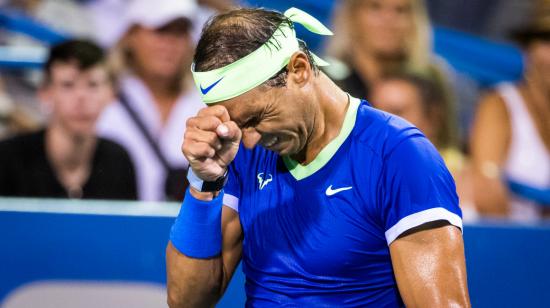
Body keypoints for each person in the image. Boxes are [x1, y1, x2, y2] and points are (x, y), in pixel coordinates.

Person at [166, 7, 470, 307]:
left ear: (299, 70)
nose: (248, 140)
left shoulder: (399, 156)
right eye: (237, 125)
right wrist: (204, 183)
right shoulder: (239, 148)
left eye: (257, 118)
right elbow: (185, 301)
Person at [0, 39, 137, 200]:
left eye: (92, 85)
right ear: (45, 92)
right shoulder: (8, 159)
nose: (81, 97)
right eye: (68, 85)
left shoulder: (118, 160)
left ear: (111, 93)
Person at [96, 0, 205, 201]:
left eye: (180, 32)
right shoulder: (101, 100)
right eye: (161, 30)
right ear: (131, 35)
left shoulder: (206, 102)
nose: (171, 43)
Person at [325, 0, 474, 145]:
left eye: (400, 10)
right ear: (352, 15)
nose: (388, 19)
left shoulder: (434, 77)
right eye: (375, 7)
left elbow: (450, 144)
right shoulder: (326, 79)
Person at [470, 0, 550, 220]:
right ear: (527, 49)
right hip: (515, 243)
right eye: (546, 41)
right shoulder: (500, 105)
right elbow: (486, 190)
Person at [371, 73, 475, 219]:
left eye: (396, 112)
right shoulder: (355, 176)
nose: (380, 124)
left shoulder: (469, 180)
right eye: (373, 113)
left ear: (432, 117)